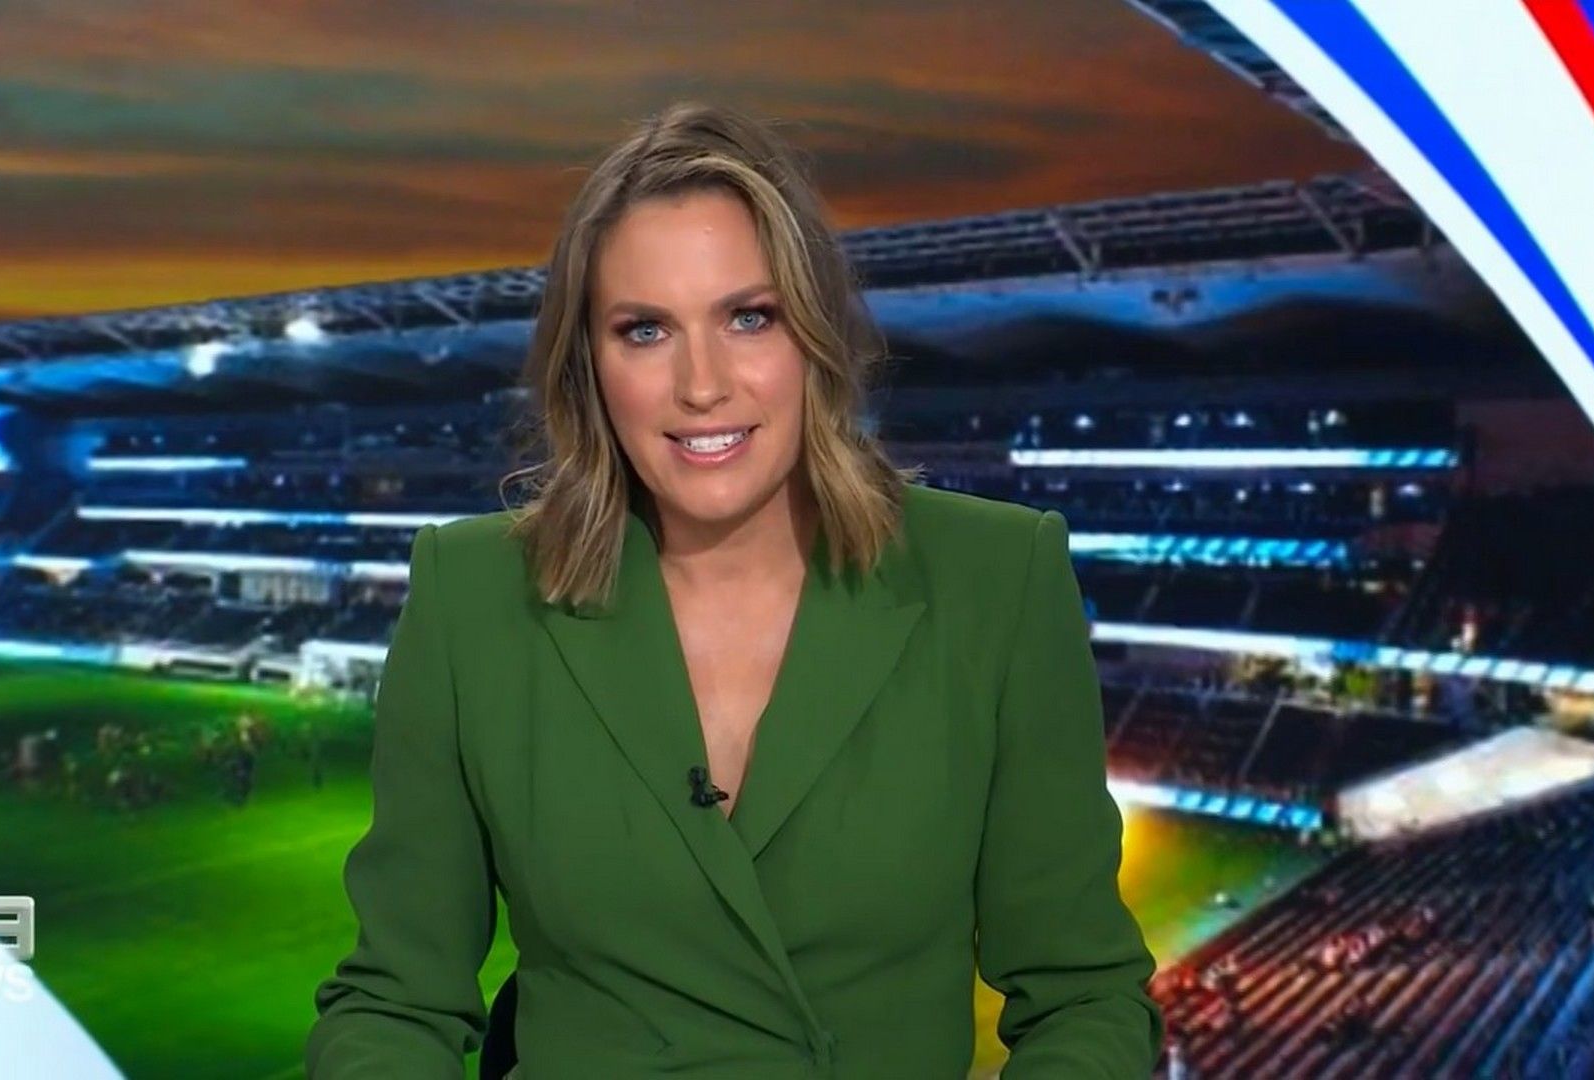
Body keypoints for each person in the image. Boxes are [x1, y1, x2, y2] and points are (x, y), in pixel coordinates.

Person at [306, 101, 1162, 1078]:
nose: (702, 384)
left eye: (749, 317)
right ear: (589, 365)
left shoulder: (997, 579)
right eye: (644, 330)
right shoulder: (471, 596)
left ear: (816, 336)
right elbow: (393, 1003)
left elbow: (1085, 998)